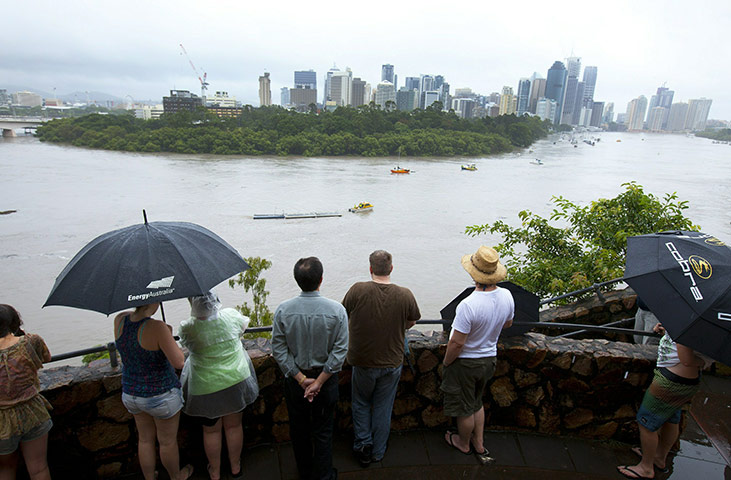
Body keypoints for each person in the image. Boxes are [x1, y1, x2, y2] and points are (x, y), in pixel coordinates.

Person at [342, 250, 420, 467]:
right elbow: (412, 320)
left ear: (370, 268)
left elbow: (343, 314)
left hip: (363, 361)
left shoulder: (358, 290)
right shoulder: (405, 294)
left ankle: (363, 445)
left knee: (360, 402)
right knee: (383, 407)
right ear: (391, 269)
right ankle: (378, 451)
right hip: (392, 361)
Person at [272, 257, 348, 480]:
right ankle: (324, 475)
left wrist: (299, 378)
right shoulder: (337, 311)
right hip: (325, 380)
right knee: (323, 430)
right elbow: (340, 351)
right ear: (321, 280)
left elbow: (278, 348)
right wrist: (319, 382)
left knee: (299, 429)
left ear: (297, 281)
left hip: (296, 382)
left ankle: (304, 473)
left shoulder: (283, 310)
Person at [440, 246, 514, 465]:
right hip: (489, 358)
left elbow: (457, 342)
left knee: (464, 408)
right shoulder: (507, 295)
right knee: (476, 401)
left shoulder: (468, 305)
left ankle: (463, 443)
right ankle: (479, 443)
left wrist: (447, 361)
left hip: (466, 362)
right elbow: (508, 323)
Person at [178, 292, 259, 480]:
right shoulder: (231, 316)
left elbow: (185, 344)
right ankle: (235, 466)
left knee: (211, 430)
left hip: (205, 385)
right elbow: (242, 328)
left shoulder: (188, 327)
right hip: (235, 379)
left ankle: (214, 471)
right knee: (233, 426)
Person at [617, 323, 710, 479]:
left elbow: (686, 359)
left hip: (671, 379)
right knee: (672, 419)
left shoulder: (688, 323)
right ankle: (659, 457)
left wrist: (701, 360)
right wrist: (670, 330)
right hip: (688, 380)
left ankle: (646, 467)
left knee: (646, 422)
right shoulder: (709, 327)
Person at [114, 303, 193, 480]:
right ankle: (176, 476)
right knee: (167, 442)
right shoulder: (157, 327)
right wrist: (167, 334)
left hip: (132, 393)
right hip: (160, 395)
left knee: (145, 439)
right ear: (155, 302)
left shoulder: (119, 320)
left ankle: (150, 477)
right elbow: (179, 362)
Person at [0, 304, 53, 480]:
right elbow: (46, 357)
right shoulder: (31, 341)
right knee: (39, 468)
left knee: (5, 470)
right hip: (32, 412)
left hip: (2, 421)